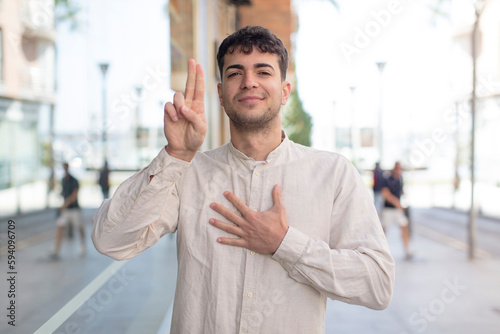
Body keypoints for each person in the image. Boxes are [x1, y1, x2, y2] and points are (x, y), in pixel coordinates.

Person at [92, 26, 394, 333]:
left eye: (263, 72)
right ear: (221, 94)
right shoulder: (188, 172)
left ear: (285, 91)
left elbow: (377, 284)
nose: (249, 82)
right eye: (235, 73)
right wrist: (175, 155)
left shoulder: (333, 173)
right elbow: (111, 240)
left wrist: (284, 244)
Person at [50, 162, 85, 259]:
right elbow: (64, 192)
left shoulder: (74, 180)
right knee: (60, 227)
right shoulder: (63, 180)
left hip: (74, 209)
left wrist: (65, 203)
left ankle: (82, 245)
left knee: (79, 227)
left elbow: (74, 195)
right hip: (66, 210)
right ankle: (56, 249)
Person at [381, 161, 412, 260]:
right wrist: (397, 203)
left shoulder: (400, 179)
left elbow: (401, 191)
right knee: (383, 230)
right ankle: (380, 250)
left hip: (397, 210)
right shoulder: (387, 179)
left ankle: (408, 250)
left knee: (404, 226)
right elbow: (385, 194)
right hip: (388, 209)